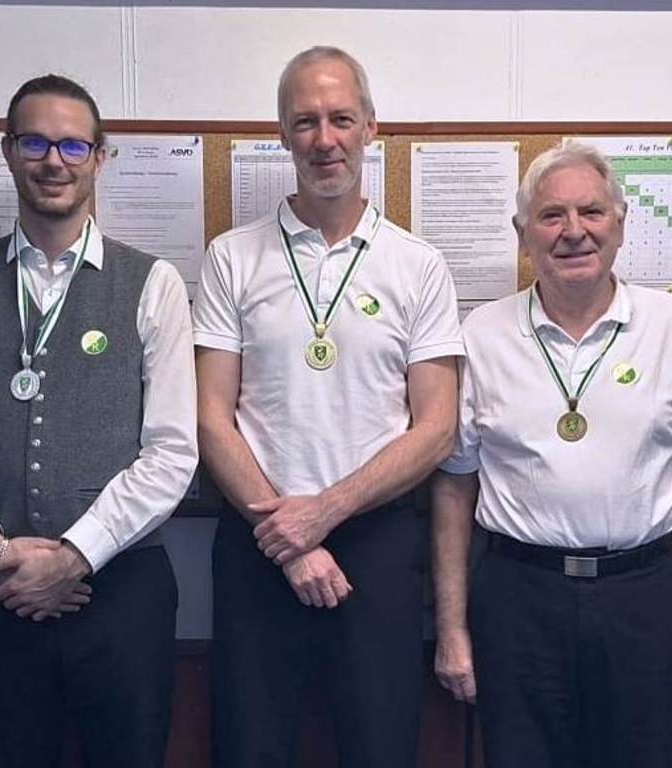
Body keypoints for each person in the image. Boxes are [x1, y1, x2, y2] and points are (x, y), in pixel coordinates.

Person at [0, 74, 197, 768]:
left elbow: (172, 452)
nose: (53, 161)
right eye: (35, 143)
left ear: (100, 157)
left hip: (122, 594)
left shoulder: (153, 284)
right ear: (8, 153)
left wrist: (73, 556)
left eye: (72, 145)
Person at [432, 141, 672, 768]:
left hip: (644, 597)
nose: (573, 231)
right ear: (523, 234)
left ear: (620, 225)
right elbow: (453, 487)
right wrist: (452, 628)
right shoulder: (481, 335)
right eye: (552, 216)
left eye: (591, 212)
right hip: (518, 599)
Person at [193, 46, 464, 768]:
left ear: (371, 126)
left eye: (341, 118)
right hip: (257, 544)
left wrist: (323, 514)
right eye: (305, 121)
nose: (324, 139)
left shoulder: (418, 265)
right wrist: (289, 536)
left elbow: (438, 428)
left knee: (381, 748)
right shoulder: (231, 257)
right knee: (249, 750)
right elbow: (210, 418)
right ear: (281, 133)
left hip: (378, 546)